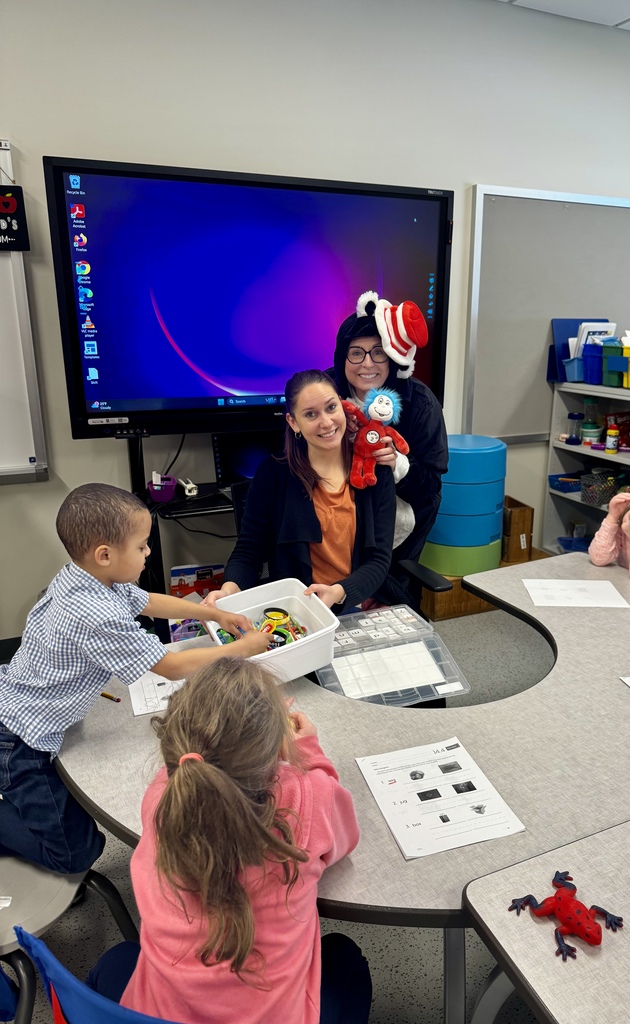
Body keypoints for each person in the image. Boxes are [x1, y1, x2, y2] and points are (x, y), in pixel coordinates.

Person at [0, 482, 270, 875]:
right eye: (142, 546)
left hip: (17, 704)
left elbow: (148, 601)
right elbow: (170, 666)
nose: (148, 553)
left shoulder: (87, 577)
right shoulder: (95, 614)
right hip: (19, 740)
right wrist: (242, 649)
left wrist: (213, 613)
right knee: (78, 853)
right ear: (105, 554)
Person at [86, 658, 371, 1024]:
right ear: (275, 753)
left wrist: (255, 737)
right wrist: (309, 753)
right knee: (345, 957)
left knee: (120, 959)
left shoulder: (163, 796)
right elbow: (344, 840)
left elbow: (206, 756)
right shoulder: (307, 799)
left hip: (160, 1014)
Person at [206, 369, 396, 613]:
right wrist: (229, 590)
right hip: (297, 608)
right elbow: (249, 552)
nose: (326, 422)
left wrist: (338, 592)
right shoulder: (272, 476)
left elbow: (379, 561)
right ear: (293, 422)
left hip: (356, 601)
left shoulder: (375, 472)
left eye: (331, 407)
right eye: (310, 414)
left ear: (344, 406)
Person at [329, 290, 448, 567]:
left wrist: (397, 464)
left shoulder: (421, 403)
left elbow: (431, 485)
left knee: (389, 599)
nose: (367, 364)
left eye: (379, 353)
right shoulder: (326, 392)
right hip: (333, 515)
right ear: (342, 358)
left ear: (393, 357)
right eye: (356, 353)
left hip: (400, 525)